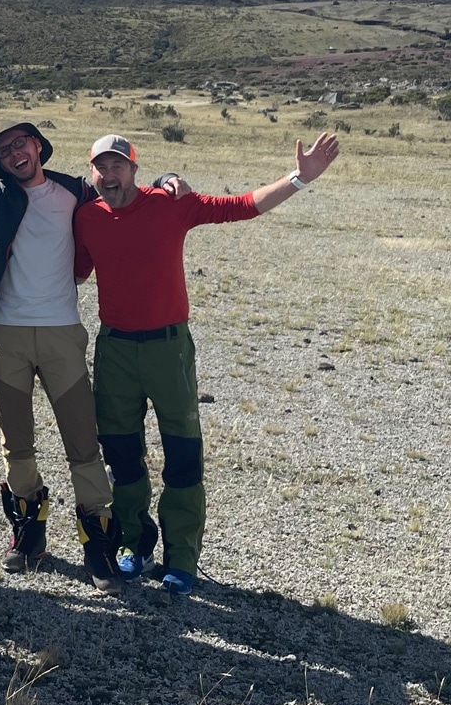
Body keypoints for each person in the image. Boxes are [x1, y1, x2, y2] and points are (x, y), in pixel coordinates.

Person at [74, 130, 340, 595]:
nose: (110, 174)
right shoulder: (86, 218)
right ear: (91, 172)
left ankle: (182, 557)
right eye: (102, 166)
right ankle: (134, 546)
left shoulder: (170, 203)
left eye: (119, 165)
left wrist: (300, 178)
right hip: (114, 348)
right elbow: (73, 270)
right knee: (121, 454)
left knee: (182, 454)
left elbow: (241, 205)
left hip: (168, 348)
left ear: (135, 170)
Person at [0, 115, 183, 589]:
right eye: (5, 151)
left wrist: (163, 181)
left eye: (21, 144)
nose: (15, 154)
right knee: (17, 444)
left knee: (83, 445)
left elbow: (120, 192)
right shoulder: (0, 198)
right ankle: (30, 534)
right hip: (5, 335)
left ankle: (98, 545)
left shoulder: (75, 191)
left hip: (61, 336)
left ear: (38, 146)